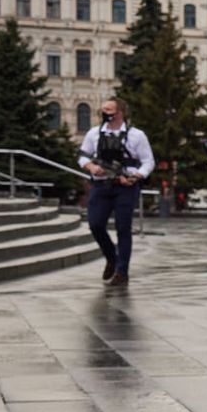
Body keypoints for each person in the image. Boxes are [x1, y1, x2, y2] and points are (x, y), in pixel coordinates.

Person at [78, 96, 154, 286]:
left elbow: (148, 161)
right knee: (95, 224)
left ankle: (122, 272)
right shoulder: (94, 133)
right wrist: (90, 167)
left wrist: (136, 176)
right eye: (103, 110)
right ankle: (112, 257)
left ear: (120, 113)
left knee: (123, 228)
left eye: (109, 110)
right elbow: (82, 156)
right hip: (100, 185)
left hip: (125, 188)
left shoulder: (137, 135)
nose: (105, 114)